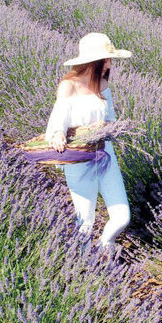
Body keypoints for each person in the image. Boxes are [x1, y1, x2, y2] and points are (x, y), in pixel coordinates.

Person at [44, 32, 132, 254]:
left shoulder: (102, 84)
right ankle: (82, 263)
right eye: (107, 59)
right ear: (95, 61)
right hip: (79, 158)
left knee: (122, 216)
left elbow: (110, 119)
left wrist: (105, 126)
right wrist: (57, 135)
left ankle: (105, 246)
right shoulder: (69, 86)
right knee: (85, 221)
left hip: (104, 153)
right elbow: (57, 123)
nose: (110, 64)